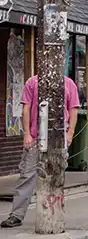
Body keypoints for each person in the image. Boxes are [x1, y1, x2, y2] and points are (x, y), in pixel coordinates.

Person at [1, 73, 80, 229]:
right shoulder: (32, 82)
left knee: (56, 174)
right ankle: (17, 214)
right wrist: (26, 134)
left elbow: (73, 110)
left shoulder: (69, 84)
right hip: (36, 137)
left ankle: (53, 212)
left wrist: (70, 134)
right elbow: (26, 108)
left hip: (58, 137)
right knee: (27, 175)